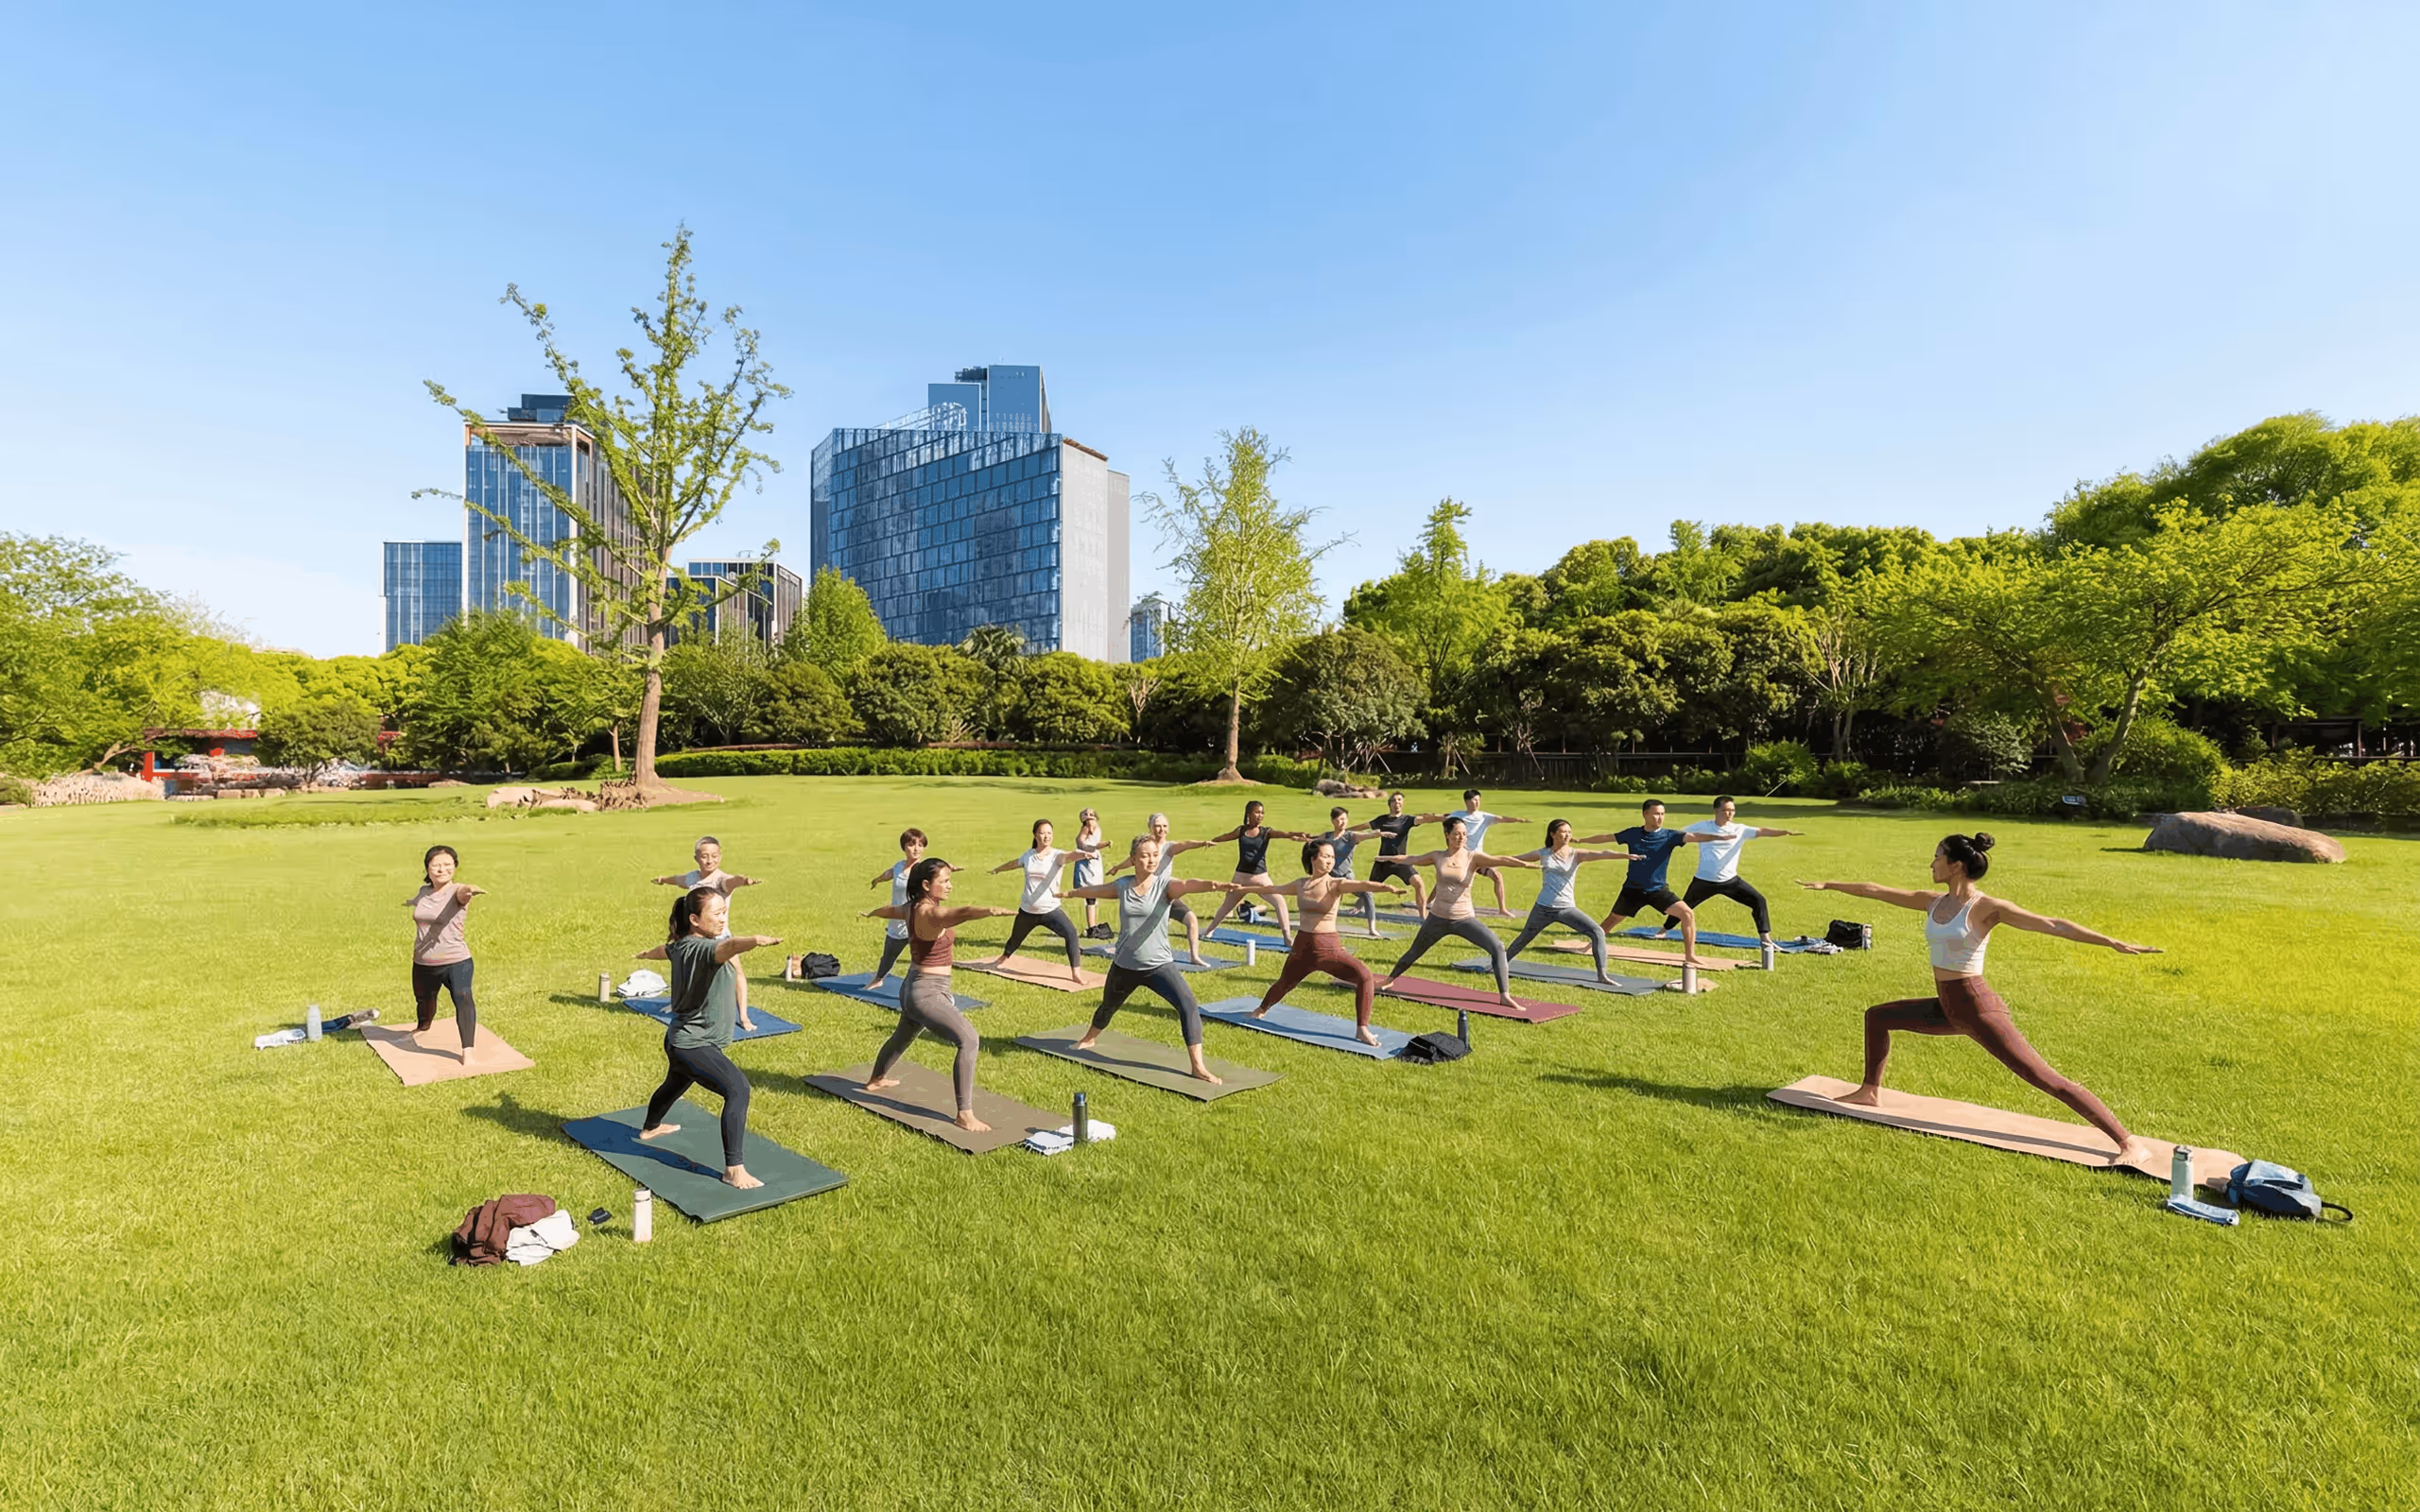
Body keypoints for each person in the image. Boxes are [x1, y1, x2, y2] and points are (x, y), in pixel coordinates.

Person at [1799, 833, 2155, 1165]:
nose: (1931, 864)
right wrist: (1829, 884)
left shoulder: (1986, 908)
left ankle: (2128, 1143)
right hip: (1948, 1007)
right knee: (1878, 1016)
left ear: (1956, 865)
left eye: (1937, 858)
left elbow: (2052, 923)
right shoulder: (1933, 902)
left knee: (2045, 1078)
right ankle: (1869, 1091)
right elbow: (1876, 890)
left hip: (1979, 1009)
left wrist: (2110, 942)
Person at [1062, 837, 1250, 1079]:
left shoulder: (1165, 886)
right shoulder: (1123, 886)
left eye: (1154, 855)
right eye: (1144, 855)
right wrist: (1070, 893)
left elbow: (1188, 884)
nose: (1151, 859)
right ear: (1133, 860)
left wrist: (1215, 885)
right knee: (1108, 1006)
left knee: (1188, 1005)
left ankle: (1197, 1066)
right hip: (1125, 965)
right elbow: (1096, 890)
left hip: (1159, 965)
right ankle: (1089, 1038)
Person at [635, 888, 783, 1189]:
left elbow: (663, 951)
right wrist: (755, 940)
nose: (722, 918)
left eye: (723, 911)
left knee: (674, 1084)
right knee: (738, 1089)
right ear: (695, 920)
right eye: (716, 913)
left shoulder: (682, 945)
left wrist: (646, 954)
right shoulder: (705, 951)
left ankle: (650, 1128)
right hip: (693, 1044)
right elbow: (728, 947)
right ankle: (734, 1169)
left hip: (681, 1039)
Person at [863, 858, 1017, 1132]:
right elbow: (963, 912)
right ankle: (964, 1114)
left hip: (916, 987)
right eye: (944, 881)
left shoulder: (912, 907)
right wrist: (990, 910)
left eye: (949, 880)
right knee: (969, 1040)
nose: (950, 885)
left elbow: (891, 910)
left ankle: (876, 1078)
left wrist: (872, 914)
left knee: (902, 1036)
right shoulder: (930, 914)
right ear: (926, 885)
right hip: (926, 993)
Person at [1250, 839, 1406, 1046]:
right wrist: (1243, 888)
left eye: (1333, 857)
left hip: (1327, 949)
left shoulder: (1335, 884)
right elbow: (1274, 889)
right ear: (1313, 859)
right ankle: (1259, 1011)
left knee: (1365, 977)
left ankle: (1362, 1029)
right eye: (1326, 856)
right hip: (1302, 947)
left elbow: (1362, 885)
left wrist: (1386, 887)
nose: (1330, 861)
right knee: (1285, 982)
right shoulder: (1300, 884)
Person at [1376, 816, 1537, 1009]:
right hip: (1437, 918)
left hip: (1464, 919)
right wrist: (1387, 858)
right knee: (1414, 952)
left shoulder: (1473, 857)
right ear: (1447, 835)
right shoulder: (1438, 856)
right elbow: (1412, 859)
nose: (1461, 838)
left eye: (1464, 834)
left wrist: (1524, 864)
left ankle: (1505, 995)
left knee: (1498, 947)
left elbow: (1500, 859)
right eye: (1457, 834)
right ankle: (1389, 980)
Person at [1500, 820, 1643, 983]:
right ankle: (1499, 965)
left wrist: (1626, 856)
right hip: (1543, 908)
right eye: (1563, 832)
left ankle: (1602, 975)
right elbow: (1514, 859)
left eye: (1569, 831)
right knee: (1524, 938)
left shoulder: (1576, 854)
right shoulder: (1543, 853)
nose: (1568, 835)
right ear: (1553, 834)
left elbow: (1603, 853)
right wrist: (1490, 862)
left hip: (1567, 909)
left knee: (1598, 932)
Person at [1579, 799, 1709, 967]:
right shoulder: (1632, 834)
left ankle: (1690, 955)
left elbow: (1695, 837)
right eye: (1656, 813)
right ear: (1645, 814)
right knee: (1612, 920)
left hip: (1658, 890)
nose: (1660, 817)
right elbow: (1607, 837)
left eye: (1662, 814)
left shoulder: (1670, 835)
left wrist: (1721, 837)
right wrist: (1581, 840)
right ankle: (1589, 946)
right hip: (1633, 889)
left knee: (1687, 914)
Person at [1655, 797, 1802, 945]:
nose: (1730, 813)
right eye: (1726, 810)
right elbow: (1677, 835)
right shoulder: (1703, 826)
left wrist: (1785, 832)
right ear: (1716, 811)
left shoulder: (1740, 829)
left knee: (1759, 901)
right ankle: (1663, 931)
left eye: (1732, 810)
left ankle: (1765, 938)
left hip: (1730, 881)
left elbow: (1763, 831)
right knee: (1684, 907)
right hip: (1704, 881)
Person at [650, 836, 763, 1026]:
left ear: (720, 856)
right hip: (693, 937)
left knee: (737, 973)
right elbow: (678, 880)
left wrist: (744, 881)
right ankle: (677, 1003)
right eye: (704, 856)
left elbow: (732, 881)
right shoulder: (693, 878)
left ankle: (743, 1016)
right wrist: (662, 880)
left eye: (714, 856)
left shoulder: (721, 880)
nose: (710, 860)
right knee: (685, 972)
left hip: (720, 937)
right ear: (696, 858)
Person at [981, 819, 1098, 983]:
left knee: (1071, 934)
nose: (1046, 836)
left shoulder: (1056, 855)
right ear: (1036, 835)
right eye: (1043, 833)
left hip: (1050, 910)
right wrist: (997, 869)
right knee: (1015, 939)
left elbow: (1069, 856)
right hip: (1027, 910)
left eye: (1049, 833)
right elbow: (1014, 863)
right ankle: (1001, 961)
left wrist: (1084, 854)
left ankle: (1076, 974)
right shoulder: (1029, 856)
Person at [407, 844, 486, 1064]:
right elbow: (423, 905)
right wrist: (411, 903)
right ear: (428, 868)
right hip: (422, 961)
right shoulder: (424, 892)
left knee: (463, 998)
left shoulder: (458, 891)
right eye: (436, 865)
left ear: (455, 867)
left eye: (447, 865)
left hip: (456, 961)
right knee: (424, 999)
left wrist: (470, 889)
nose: (442, 869)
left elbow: (463, 893)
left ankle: (467, 1051)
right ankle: (423, 1027)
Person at [1105, 812, 1218, 965]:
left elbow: (1184, 844)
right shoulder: (1145, 848)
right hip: (1148, 898)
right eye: (1157, 826)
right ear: (1150, 828)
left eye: (1164, 826)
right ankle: (1125, 953)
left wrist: (1202, 843)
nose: (1161, 829)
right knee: (1140, 931)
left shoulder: (1169, 848)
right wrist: (1117, 868)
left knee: (1191, 919)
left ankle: (1194, 957)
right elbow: (1131, 861)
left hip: (1167, 895)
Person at [1199, 800, 1311, 939]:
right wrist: (1213, 841)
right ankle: (1209, 931)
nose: (1260, 815)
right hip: (1240, 878)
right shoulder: (1241, 831)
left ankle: (1287, 937)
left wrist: (1296, 834)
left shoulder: (1266, 832)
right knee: (1226, 907)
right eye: (1257, 812)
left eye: (1262, 813)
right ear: (1249, 814)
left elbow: (1283, 834)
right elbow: (1226, 836)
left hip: (1261, 878)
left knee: (1279, 902)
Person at [863, 828, 927, 990]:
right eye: (912, 844)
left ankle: (923, 989)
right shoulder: (899, 866)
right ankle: (878, 979)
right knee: (888, 956)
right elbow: (890, 873)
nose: (916, 848)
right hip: (897, 922)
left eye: (921, 845)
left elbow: (938, 874)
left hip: (917, 922)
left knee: (922, 960)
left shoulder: (923, 870)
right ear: (904, 847)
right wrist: (877, 880)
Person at [1451, 788, 1533, 915]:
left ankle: (1502, 909)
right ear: (1467, 802)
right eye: (1474, 800)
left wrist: (1518, 820)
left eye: (1479, 800)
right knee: (1450, 879)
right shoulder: (1457, 815)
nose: (1477, 803)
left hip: (1479, 858)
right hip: (1462, 858)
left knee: (1497, 877)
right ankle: (1431, 903)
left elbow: (1501, 818)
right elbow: (1443, 819)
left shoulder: (1484, 817)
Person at [1316, 807, 1391, 937]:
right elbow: (1312, 841)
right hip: (1329, 879)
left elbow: (1367, 835)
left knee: (1367, 893)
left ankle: (1372, 928)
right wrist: (1300, 838)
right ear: (1333, 821)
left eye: (1344, 819)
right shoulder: (1326, 836)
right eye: (1339, 820)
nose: (1342, 822)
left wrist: (1377, 834)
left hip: (1346, 878)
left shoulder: (1351, 836)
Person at [1365, 791, 1433, 915]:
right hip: (1383, 861)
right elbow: (1362, 827)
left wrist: (1441, 818)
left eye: (1400, 800)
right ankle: (1358, 908)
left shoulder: (1407, 820)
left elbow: (1424, 820)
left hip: (1401, 861)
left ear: (1403, 803)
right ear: (1389, 804)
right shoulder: (1381, 820)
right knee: (1369, 888)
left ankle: (1423, 916)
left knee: (1419, 883)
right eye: (1394, 800)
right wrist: (1344, 832)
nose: (1397, 802)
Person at [1070, 808, 1108, 935]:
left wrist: (1100, 846)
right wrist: (1090, 850)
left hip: (1094, 862)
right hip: (1086, 862)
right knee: (1090, 895)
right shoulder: (1085, 828)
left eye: (1091, 814)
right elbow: (1080, 843)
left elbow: (1094, 844)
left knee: (1094, 893)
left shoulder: (1097, 829)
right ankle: (1092, 928)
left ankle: (1093, 926)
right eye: (1085, 815)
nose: (1089, 817)